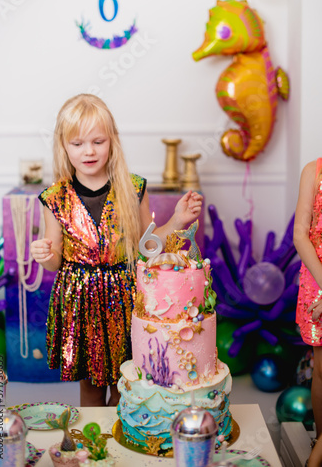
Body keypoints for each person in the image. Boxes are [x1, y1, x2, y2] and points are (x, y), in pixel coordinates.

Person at [30, 93, 203, 407]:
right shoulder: (55, 198)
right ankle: (97, 453)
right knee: (92, 389)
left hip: (123, 297)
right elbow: (55, 261)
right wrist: (46, 255)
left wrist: (177, 220)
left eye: (98, 141)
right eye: (78, 143)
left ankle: (121, 445)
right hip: (79, 301)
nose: (89, 151)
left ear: (112, 142)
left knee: (126, 384)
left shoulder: (132, 187)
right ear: (63, 146)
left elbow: (145, 246)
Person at [294, 158, 322, 460]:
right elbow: (300, 233)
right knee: (321, 369)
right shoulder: (314, 171)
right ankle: (319, 441)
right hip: (318, 277)